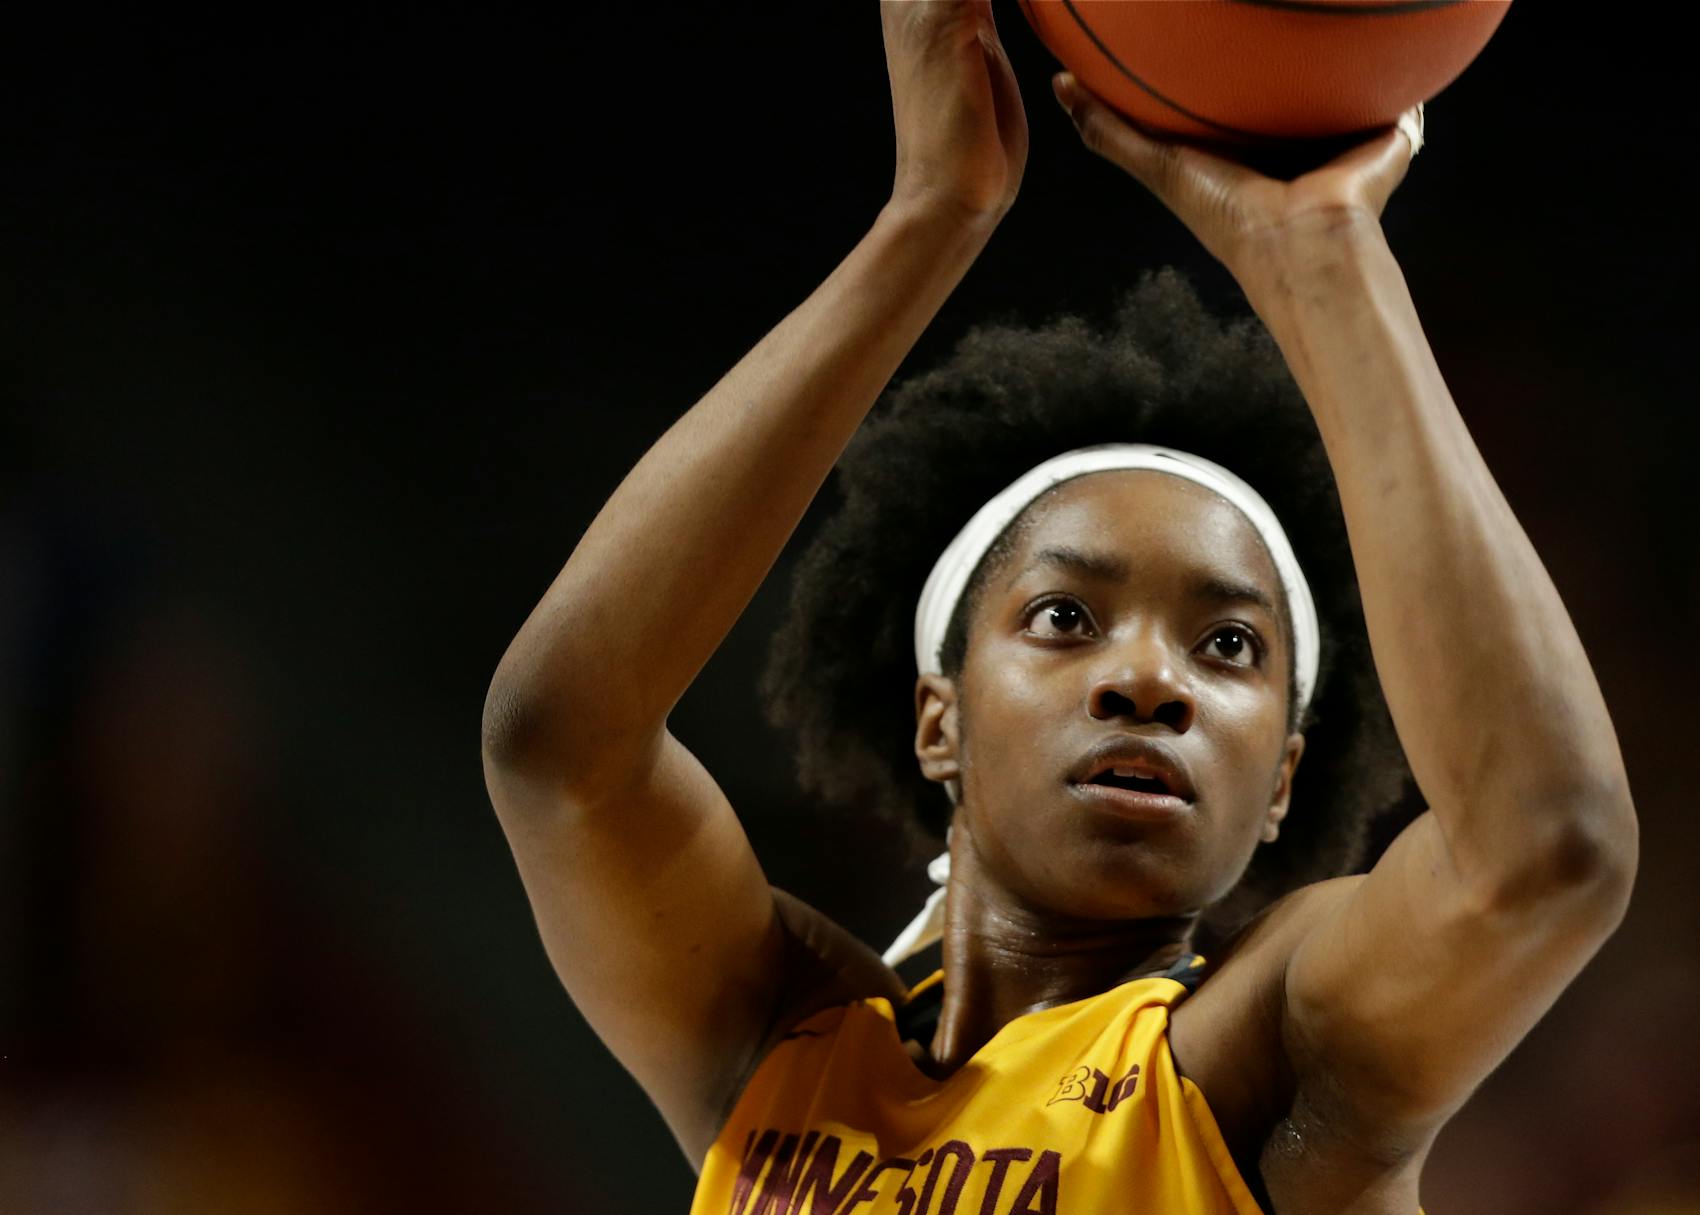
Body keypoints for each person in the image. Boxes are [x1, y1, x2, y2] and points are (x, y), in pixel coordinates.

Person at [479, 4, 1639, 1213]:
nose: (1150, 679)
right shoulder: (777, 1042)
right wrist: (928, 217)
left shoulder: (1262, 1069)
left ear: (1284, 778)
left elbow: (1547, 850)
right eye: (1065, 619)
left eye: (1230, 645)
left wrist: (1330, 259)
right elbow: (559, 742)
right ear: (941, 718)